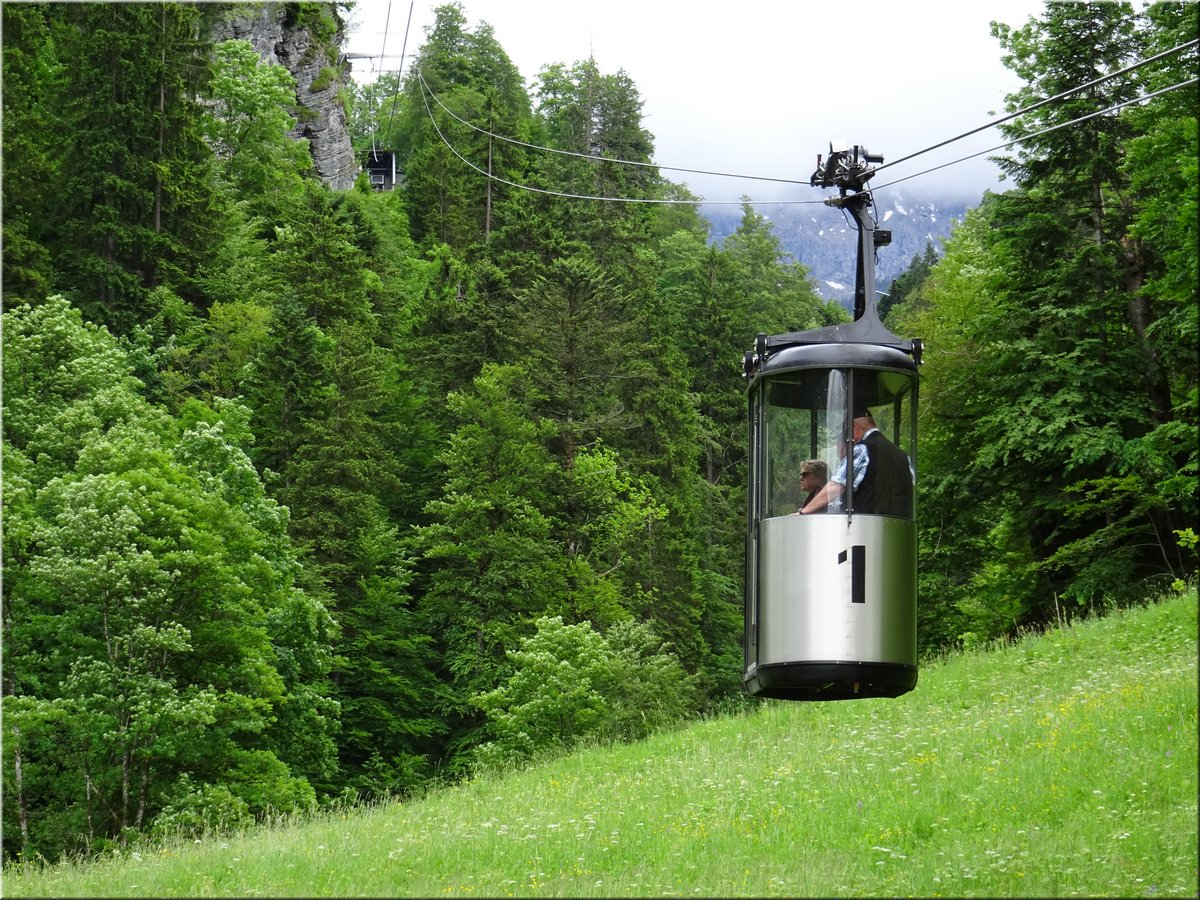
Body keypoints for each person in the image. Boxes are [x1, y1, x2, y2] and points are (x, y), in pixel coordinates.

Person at [799, 410, 913, 516]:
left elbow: (837, 485)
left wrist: (804, 512)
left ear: (854, 428)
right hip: (899, 528)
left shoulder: (862, 448)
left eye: (846, 432)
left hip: (866, 529)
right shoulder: (902, 455)